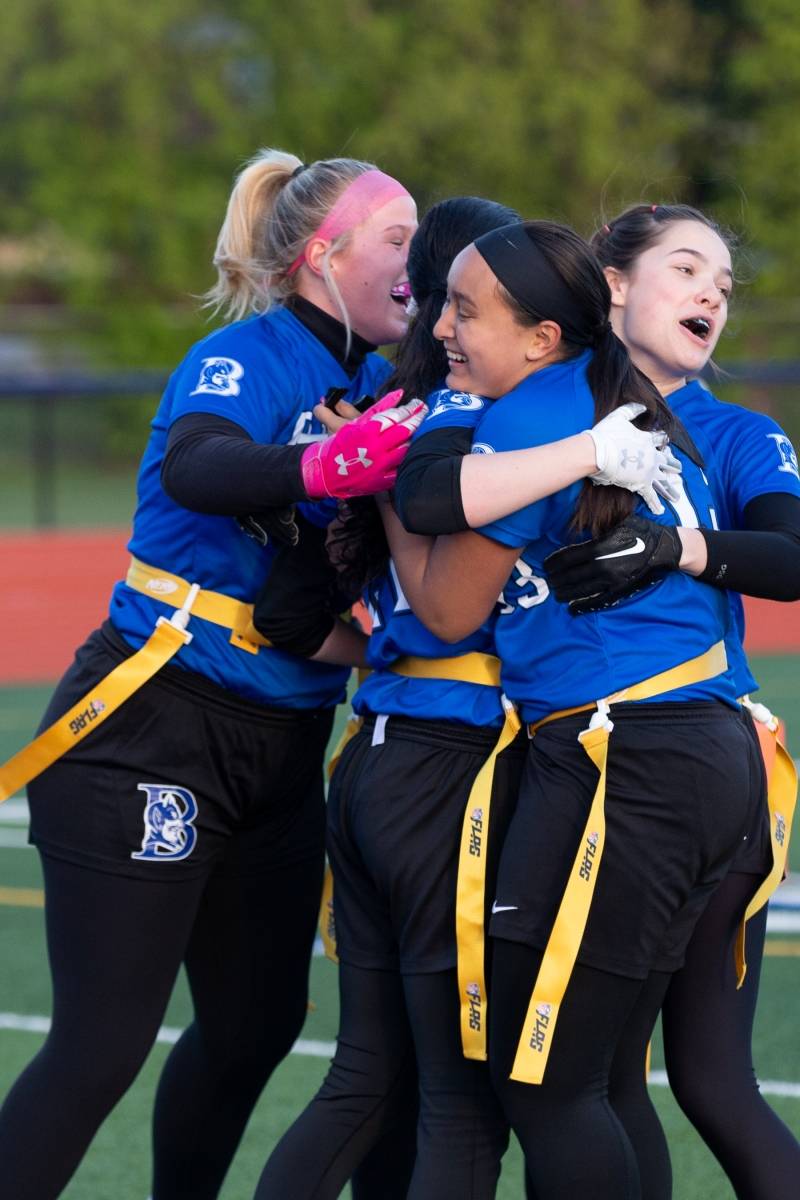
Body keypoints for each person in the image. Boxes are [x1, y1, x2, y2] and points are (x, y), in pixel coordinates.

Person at [0, 148, 425, 1200]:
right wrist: (324, 465)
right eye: (398, 240)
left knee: (253, 1028)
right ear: (322, 258)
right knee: (102, 1046)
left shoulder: (389, 381)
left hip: (283, 747)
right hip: (153, 727)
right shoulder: (246, 357)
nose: (418, 265)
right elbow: (199, 463)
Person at [253, 202, 679, 1200]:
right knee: (465, 1103)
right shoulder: (510, 418)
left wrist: (378, 646)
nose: (444, 322)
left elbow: (284, 613)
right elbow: (452, 609)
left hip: (373, 755)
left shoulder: (401, 417)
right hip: (458, 768)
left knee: (364, 1078)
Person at [385, 217, 769, 1198]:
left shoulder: (544, 409)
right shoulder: (616, 407)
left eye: (465, 311)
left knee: (545, 1085)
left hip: (626, 756)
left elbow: (444, 606)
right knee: (601, 1080)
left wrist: (377, 485)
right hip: (678, 749)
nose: (440, 329)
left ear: (543, 332)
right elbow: (440, 485)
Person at [537, 203, 800, 1199]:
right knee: (648, 1083)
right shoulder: (543, 419)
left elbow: (786, 555)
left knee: (689, 1083)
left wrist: (676, 546)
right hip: (590, 759)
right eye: (685, 270)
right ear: (611, 284)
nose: (709, 295)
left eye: (722, 286)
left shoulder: (734, 432)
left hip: (674, 770)